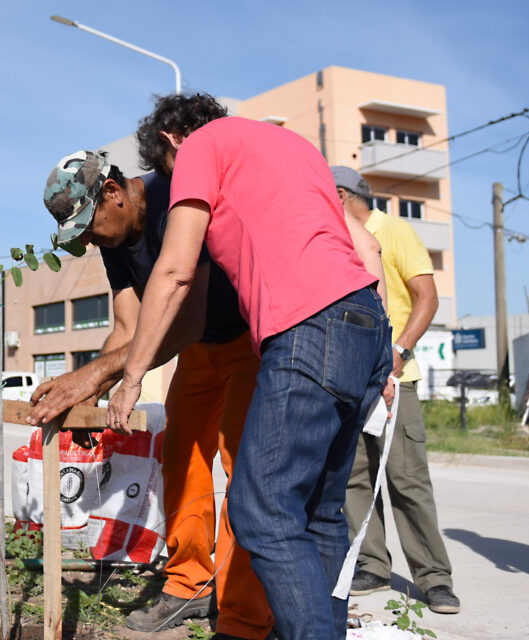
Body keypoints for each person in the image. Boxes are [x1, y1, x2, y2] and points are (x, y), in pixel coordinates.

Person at [106, 93, 393, 640]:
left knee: (261, 509)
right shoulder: (294, 148)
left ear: (171, 140)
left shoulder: (199, 146)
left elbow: (175, 272)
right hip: (364, 324)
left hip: (306, 325)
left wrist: (133, 375)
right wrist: (381, 351)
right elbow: (367, 248)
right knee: (319, 515)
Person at [30, 144, 274, 639]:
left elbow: (185, 317)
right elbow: (127, 327)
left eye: (89, 226)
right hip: (200, 350)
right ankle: (189, 583)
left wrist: (97, 374)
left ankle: (243, 609)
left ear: (113, 193)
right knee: (181, 455)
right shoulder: (114, 241)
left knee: (242, 466)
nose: (91, 241)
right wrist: (88, 386)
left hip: (250, 339)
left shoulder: (174, 197)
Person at [332, 166, 460, 614]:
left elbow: (427, 296)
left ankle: (434, 578)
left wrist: (399, 351)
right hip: (352, 381)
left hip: (394, 379)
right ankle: (372, 564)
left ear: (343, 194)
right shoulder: (339, 239)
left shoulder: (392, 230)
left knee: (406, 479)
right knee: (354, 479)